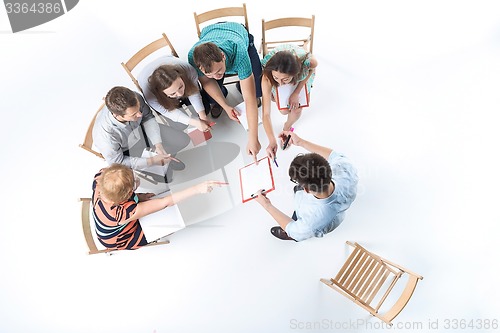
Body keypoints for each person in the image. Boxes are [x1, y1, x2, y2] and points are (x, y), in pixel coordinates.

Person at [92, 163, 227, 250]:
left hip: (107, 218)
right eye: (134, 183)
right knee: (166, 221)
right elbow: (165, 203)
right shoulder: (122, 213)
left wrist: (138, 197)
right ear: (127, 194)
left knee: (150, 204)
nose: (137, 180)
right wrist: (197, 188)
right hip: (119, 238)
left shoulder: (100, 177)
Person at [253, 131, 358, 242]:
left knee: (294, 228)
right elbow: (333, 155)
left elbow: (293, 230)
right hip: (337, 206)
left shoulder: (312, 222)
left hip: (316, 219)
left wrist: (267, 205)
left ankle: (287, 234)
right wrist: (301, 142)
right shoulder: (344, 168)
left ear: (306, 190)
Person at [188, 21, 262, 162]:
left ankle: (241, 86)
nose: (216, 76)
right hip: (210, 32)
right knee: (211, 93)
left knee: (256, 85)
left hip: (238, 33)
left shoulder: (239, 52)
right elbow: (207, 82)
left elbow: (249, 99)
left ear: (222, 56)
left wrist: (253, 138)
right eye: (211, 74)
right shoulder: (192, 55)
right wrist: (226, 106)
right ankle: (221, 98)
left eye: (219, 71)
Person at [93, 86, 190, 182]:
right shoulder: (105, 137)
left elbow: (147, 117)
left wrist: (158, 144)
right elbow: (118, 163)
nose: (140, 114)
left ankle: (164, 157)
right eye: (134, 114)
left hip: (141, 130)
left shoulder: (135, 97)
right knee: (166, 177)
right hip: (127, 149)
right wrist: (152, 161)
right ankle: (162, 161)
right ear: (117, 115)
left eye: (139, 109)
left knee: (183, 140)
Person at [261, 44, 318, 161]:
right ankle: (277, 92)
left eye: (285, 79)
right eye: (276, 78)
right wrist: (272, 141)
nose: (281, 83)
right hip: (280, 60)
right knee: (283, 110)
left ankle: (287, 126)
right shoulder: (268, 76)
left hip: (298, 71)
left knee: (297, 108)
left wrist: (296, 92)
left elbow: (312, 69)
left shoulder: (308, 64)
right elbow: (266, 114)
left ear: (295, 74)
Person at [139, 56, 212, 132]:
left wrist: (202, 116)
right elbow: (167, 112)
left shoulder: (189, 70)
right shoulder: (150, 96)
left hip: (173, 65)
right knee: (180, 125)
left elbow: (194, 93)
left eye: (180, 86)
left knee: (205, 109)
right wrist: (196, 123)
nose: (180, 94)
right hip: (161, 96)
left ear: (181, 76)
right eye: (173, 93)